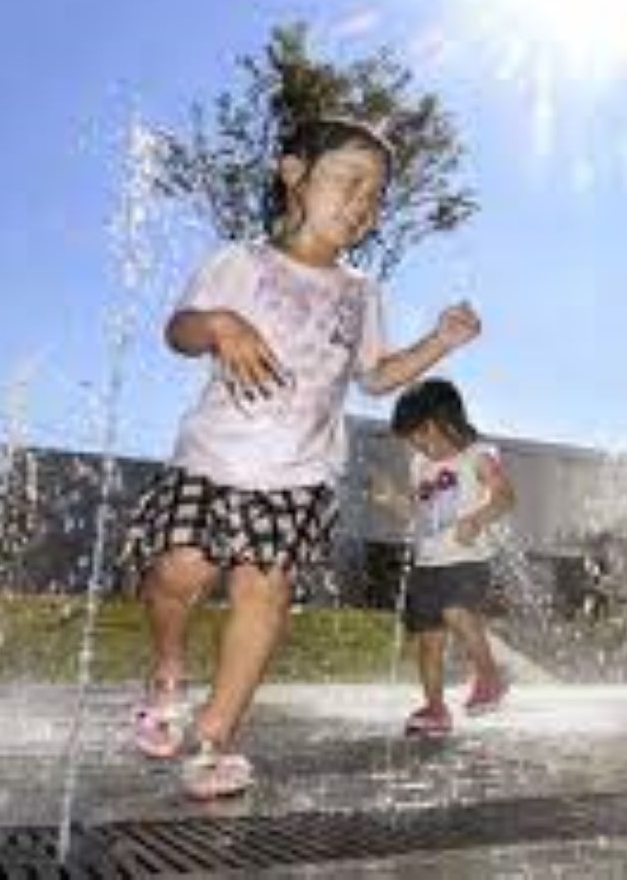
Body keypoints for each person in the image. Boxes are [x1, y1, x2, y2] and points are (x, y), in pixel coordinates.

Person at [123, 116, 481, 799]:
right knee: (178, 572)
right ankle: (167, 670)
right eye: (349, 182)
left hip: (298, 476)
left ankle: (215, 738)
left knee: (265, 594)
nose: (362, 204)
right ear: (294, 174)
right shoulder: (242, 263)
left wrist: (440, 342)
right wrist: (221, 326)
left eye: (376, 196)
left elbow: (375, 376)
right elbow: (179, 331)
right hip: (212, 458)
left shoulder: (361, 293)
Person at [372, 378, 515, 737]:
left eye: (423, 435)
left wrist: (479, 518)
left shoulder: (477, 455)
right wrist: (392, 500)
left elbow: (505, 496)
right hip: (427, 564)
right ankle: (435, 709)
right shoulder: (420, 465)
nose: (419, 445)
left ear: (448, 421)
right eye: (413, 440)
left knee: (456, 611)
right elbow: (417, 515)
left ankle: (489, 676)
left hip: (466, 559)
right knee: (428, 642)